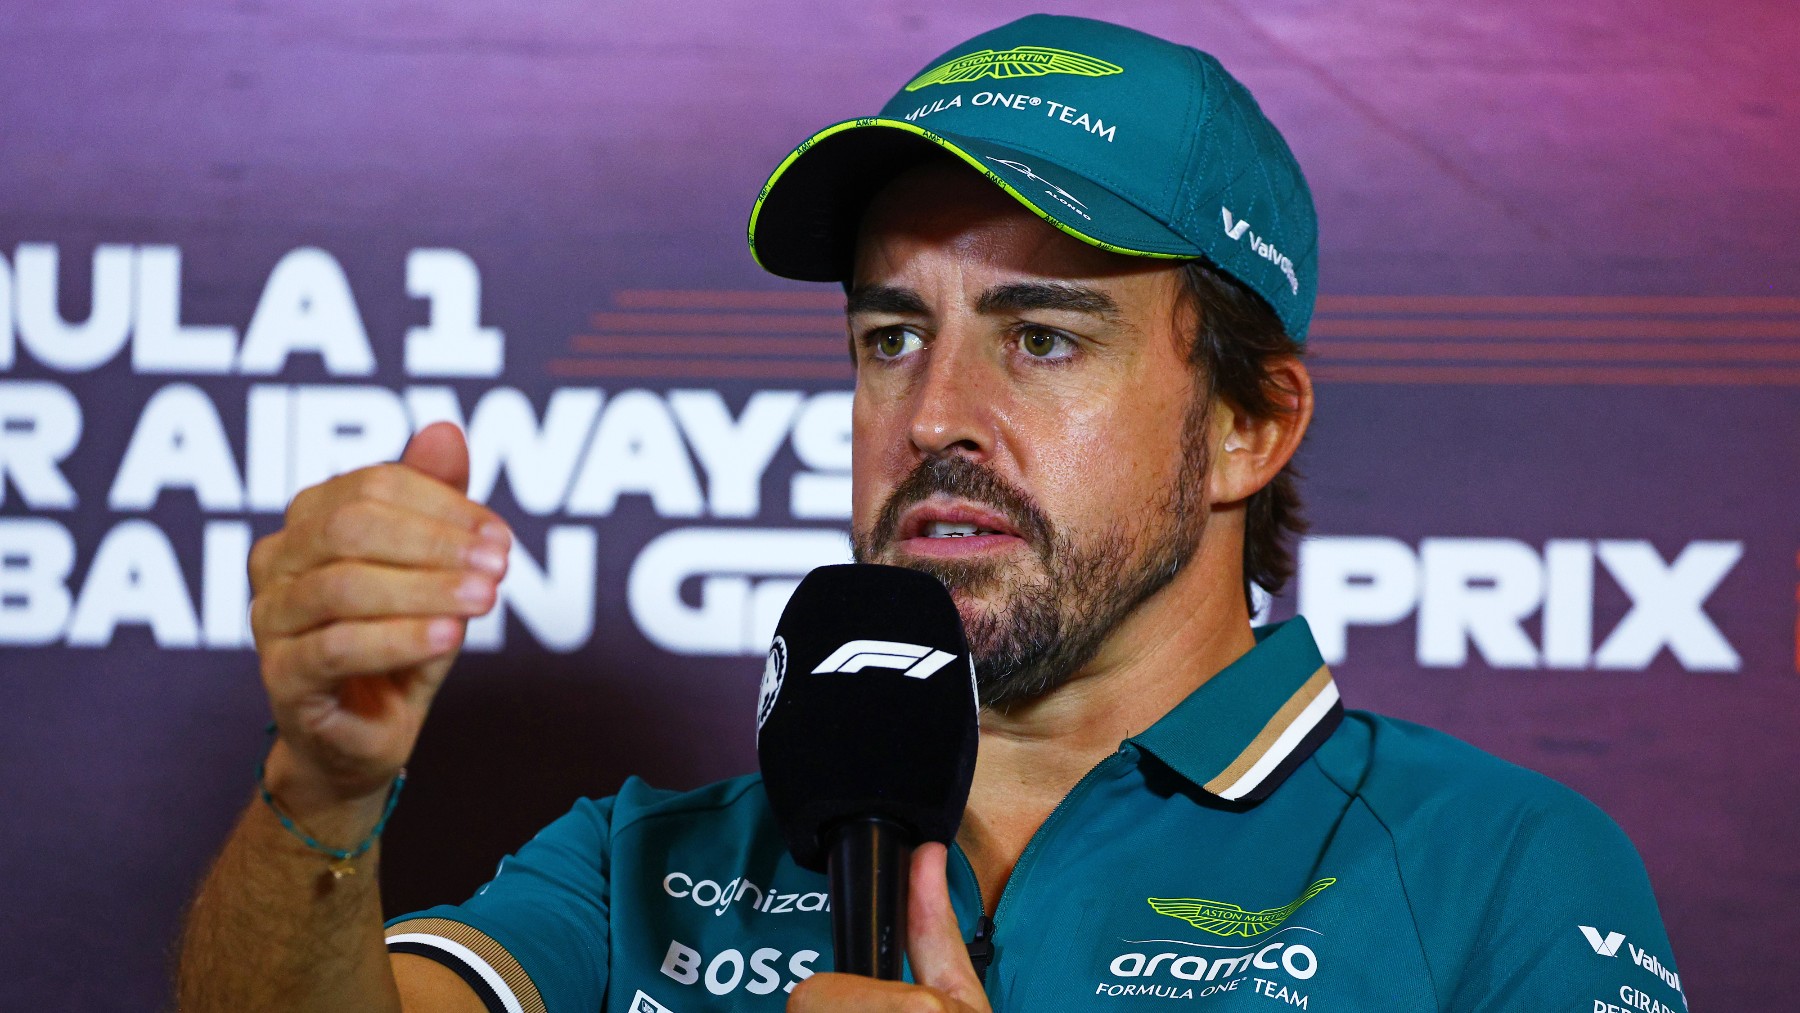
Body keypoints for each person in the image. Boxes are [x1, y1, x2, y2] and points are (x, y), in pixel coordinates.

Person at [178, 14, 1686, 1013]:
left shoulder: (1501, 868)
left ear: (1248, 421)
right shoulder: (646, 861)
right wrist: (320, 783)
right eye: (892, 335)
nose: (933, 414)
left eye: (1042, 337)